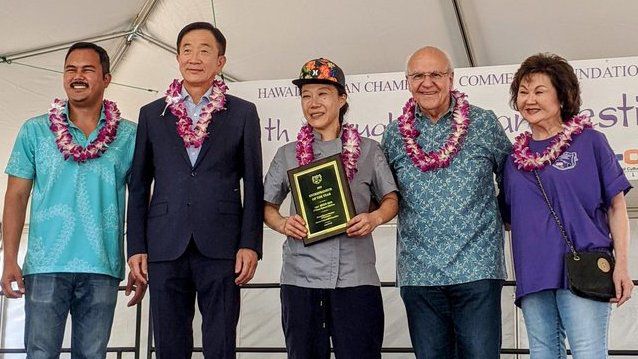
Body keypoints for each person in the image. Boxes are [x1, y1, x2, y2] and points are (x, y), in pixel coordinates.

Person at [126, 22, 263, 358]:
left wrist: (250, 244)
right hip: (164, 245)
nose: (194, 57)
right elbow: (140, 185)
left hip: (222, 245)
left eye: (204, 50)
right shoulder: (152, 114)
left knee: (220, 343)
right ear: (177, 57)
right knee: (170, 345)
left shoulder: (243, 113)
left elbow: (253, 182)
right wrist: (137, 246)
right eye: (187, 49)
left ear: (220, 61)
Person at [0, 42, 144, 358]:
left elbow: (141, 202)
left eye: (87, 70)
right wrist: (10, 258)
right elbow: (16, 196)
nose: (77, 76)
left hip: (102, 264)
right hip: (45, 263)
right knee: (39, 352)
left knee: (92, 355)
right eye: (71, 69)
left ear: (106, 78)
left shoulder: (130, 135)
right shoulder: (35, 130)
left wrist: (138, 256)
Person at [263, 58, 399, 358]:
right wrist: (283, 223)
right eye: (306, 95)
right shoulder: (287, 154)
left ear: (342, 98)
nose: (313, 103)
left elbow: (391, 199)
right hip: (301, 278)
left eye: (322, 93)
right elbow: (267, 206)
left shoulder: (368, 150)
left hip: (356, 279)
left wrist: (374, 218)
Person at [381, 46, 511, 358]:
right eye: (418, 76)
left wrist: (508, 216)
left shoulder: (483, 122)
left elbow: (513, 176)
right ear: (408, 82)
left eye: (435, 74)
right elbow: (382, 193)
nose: (427, 82)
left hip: (477, 267)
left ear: (451, 78)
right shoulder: (394, 134)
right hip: (418, 272)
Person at [502, 53, 633, 358]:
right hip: (533, 274)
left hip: (584, 267)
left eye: (539, 91)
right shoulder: (512, 160)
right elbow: (509, 218)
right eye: (523, 92)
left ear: (562, 96)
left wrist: (623, 266)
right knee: (543, 352)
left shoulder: (590, 142)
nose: (529, 99)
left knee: (588, 351)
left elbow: (617, 207)